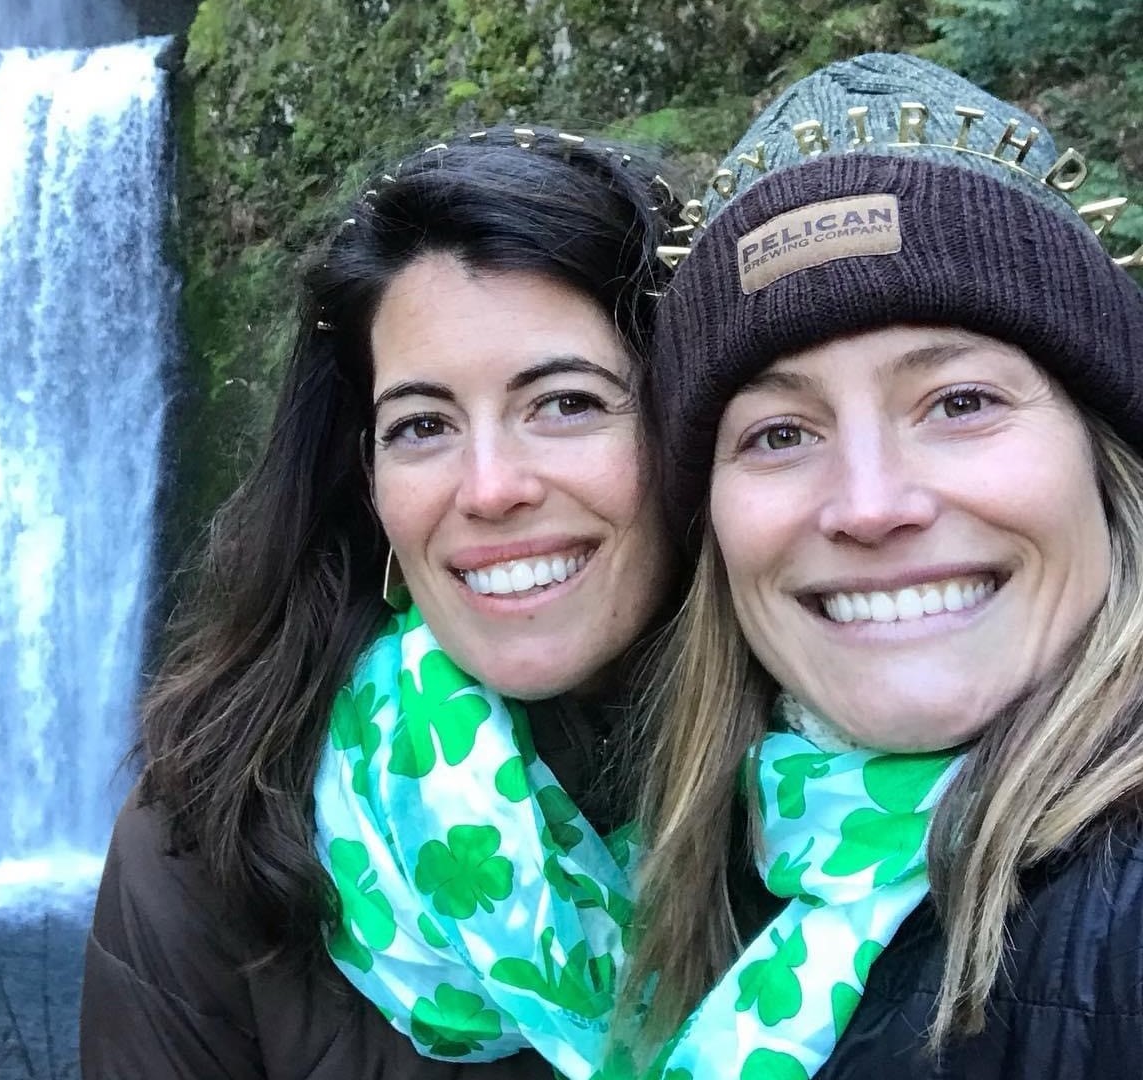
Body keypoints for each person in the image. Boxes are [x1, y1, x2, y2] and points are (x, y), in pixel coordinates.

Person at [80, 125, 682, 1079]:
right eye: (423, 425)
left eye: (566, 403)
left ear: (687, 425)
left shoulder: (860, 813)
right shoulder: (210, 839)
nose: (489, 488)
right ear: (368, 481)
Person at [619, 53, 1143, 1080]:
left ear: (1105, 457)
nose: (869, 505)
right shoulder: (752, 871)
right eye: (778, 433)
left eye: (960, 403)